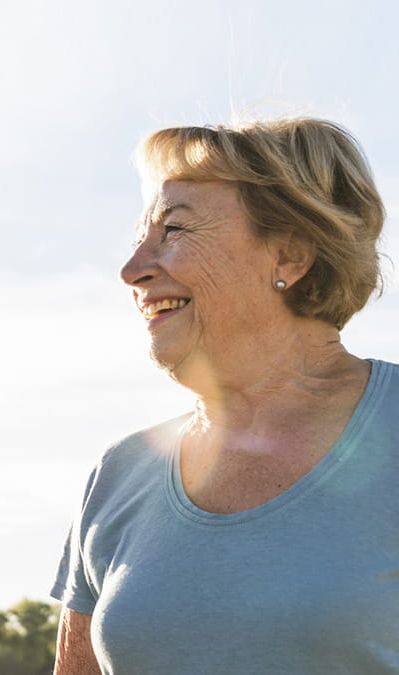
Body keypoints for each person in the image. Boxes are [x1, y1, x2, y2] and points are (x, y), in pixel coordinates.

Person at [51, 118, 399, 674]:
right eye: (140, 238)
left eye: (174, 231)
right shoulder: (118, 474)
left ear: (289, 256)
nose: (132, 270)